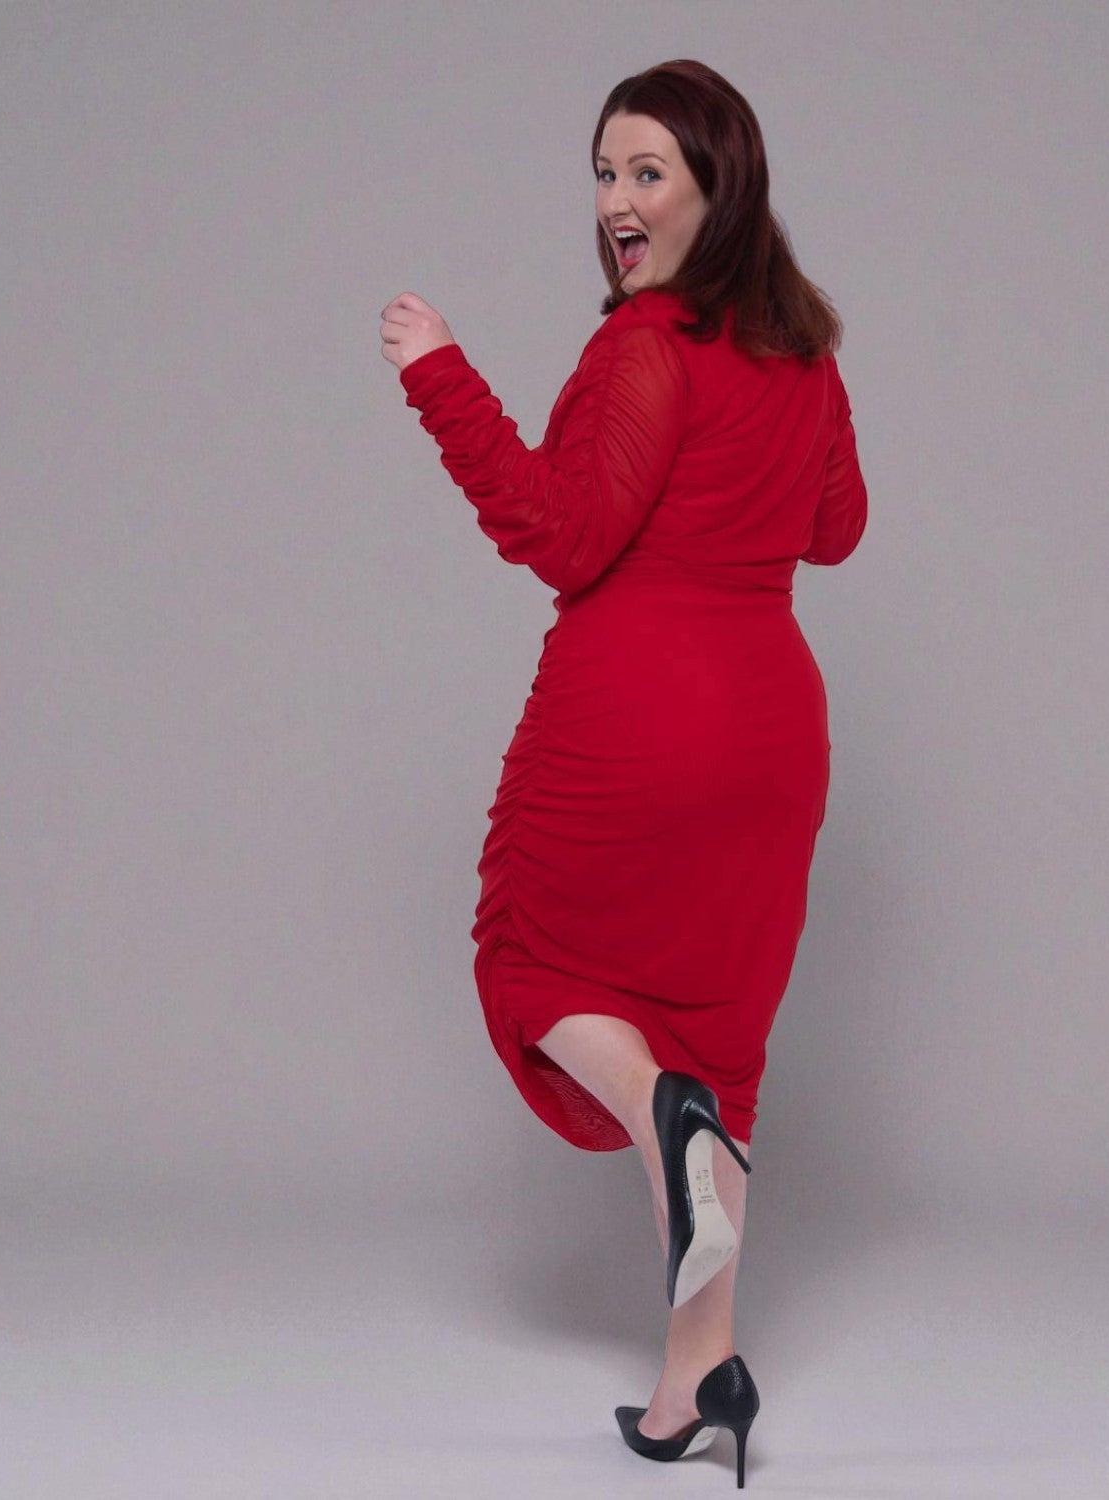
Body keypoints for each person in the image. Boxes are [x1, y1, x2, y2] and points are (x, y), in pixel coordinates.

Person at [381, 58, 866, 1490]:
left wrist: (439, 375)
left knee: (529, 963)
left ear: (722, 189)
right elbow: (835, 530)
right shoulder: (808, 356)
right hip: (773, 724)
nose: (615, 201)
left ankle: (662, 1115)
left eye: (648, 171)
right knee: (726, 1059)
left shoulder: (646, 345)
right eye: (604, 172)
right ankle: (695, 1384)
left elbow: (564, 530)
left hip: (633, 710)